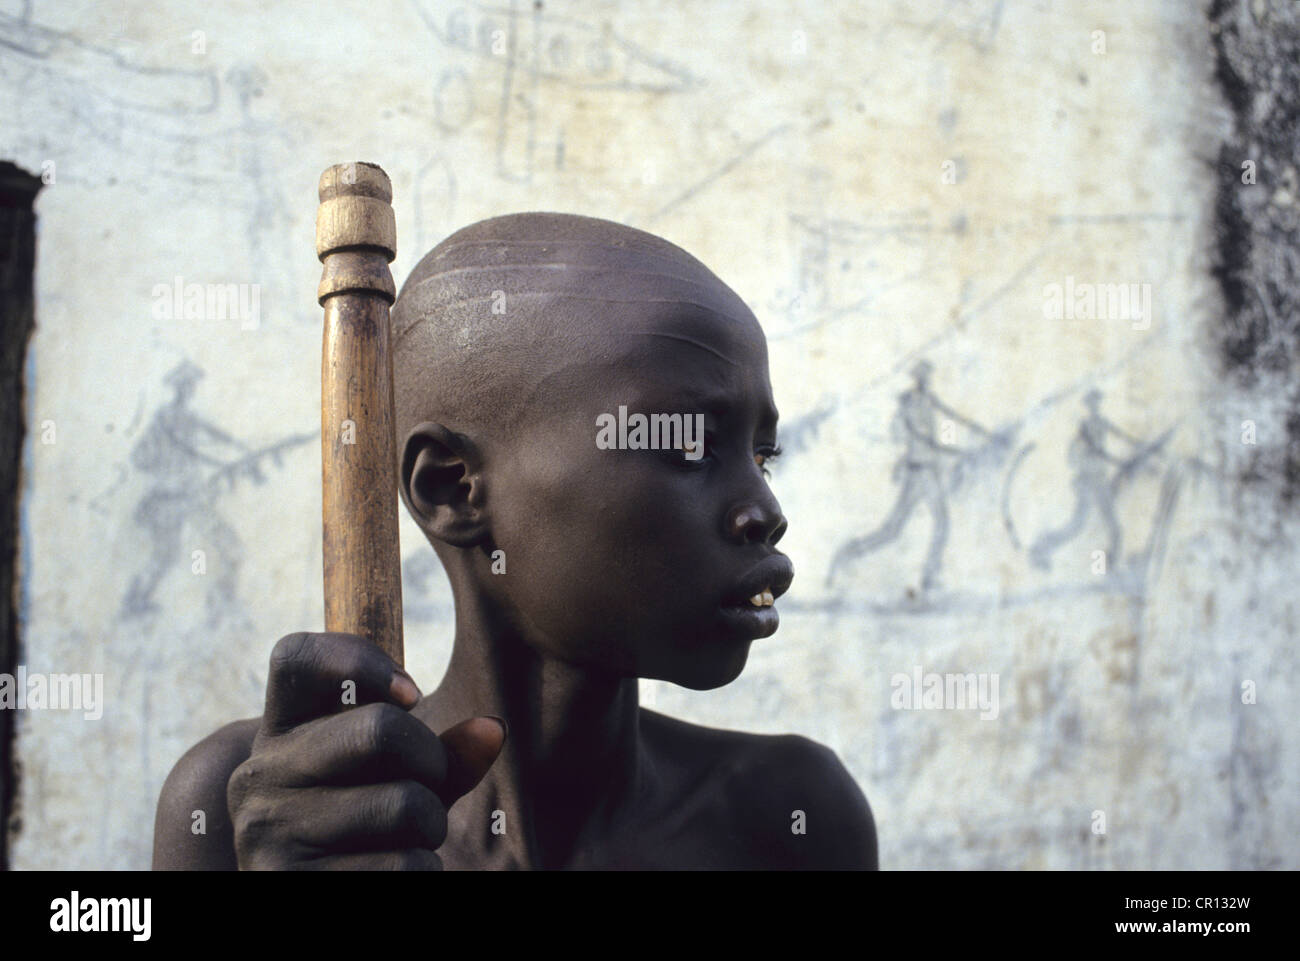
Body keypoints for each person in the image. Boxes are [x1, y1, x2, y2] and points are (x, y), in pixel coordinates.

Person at [152, 213, 877, 870]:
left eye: (763, 455)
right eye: (689, 446)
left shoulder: (790, 819)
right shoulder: (263, 811)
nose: (765, 510)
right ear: (452, 488)